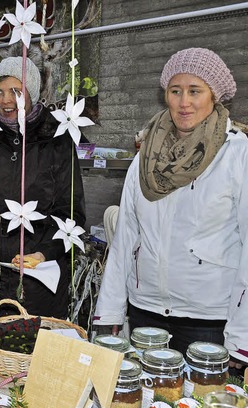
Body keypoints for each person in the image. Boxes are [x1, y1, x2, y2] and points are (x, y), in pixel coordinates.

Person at [93, 48, 248, 372]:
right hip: (145, 315)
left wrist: (241, 337)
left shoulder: (236, 154)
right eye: (175, 91)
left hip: (208, 320)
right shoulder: (146, 155)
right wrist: (109, 313)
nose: (184, 102)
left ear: (214, 96)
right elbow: (125, 240)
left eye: (195, 91)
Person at [0, 57, 86, 319]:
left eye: (16, 91)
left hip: (36, 283)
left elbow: (71, 212)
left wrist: (44, 253)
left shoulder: (57, 141)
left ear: (31, 92)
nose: (6, 100)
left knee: (32, 352)